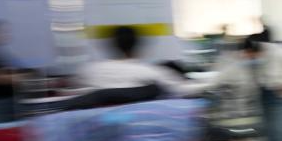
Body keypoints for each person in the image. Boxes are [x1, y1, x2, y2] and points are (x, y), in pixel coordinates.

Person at [78, 25, 207, 97]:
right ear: (137, 46)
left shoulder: (90, 71)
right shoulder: (149, 72)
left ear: (111, 45)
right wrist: (209, 83)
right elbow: (183, 89)